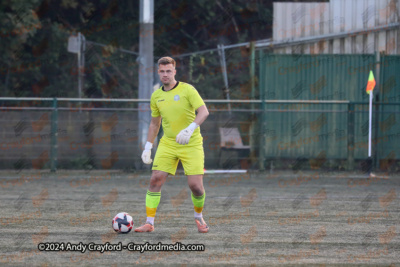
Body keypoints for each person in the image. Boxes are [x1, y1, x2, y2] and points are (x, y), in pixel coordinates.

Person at [135, 56, 210, 233]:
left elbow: (204, 112)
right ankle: (149, 223)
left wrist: (190, 129)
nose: (165, 74)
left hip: (191, 143)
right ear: (158, 72)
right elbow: (155, 124)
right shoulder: (156, 96)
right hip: (167, 143)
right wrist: (148, 146)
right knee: (155, 180)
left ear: (174, 72)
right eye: (162, 71)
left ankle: (199, 217)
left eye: (169, 71)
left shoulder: (188, 89)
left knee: (196, 186)